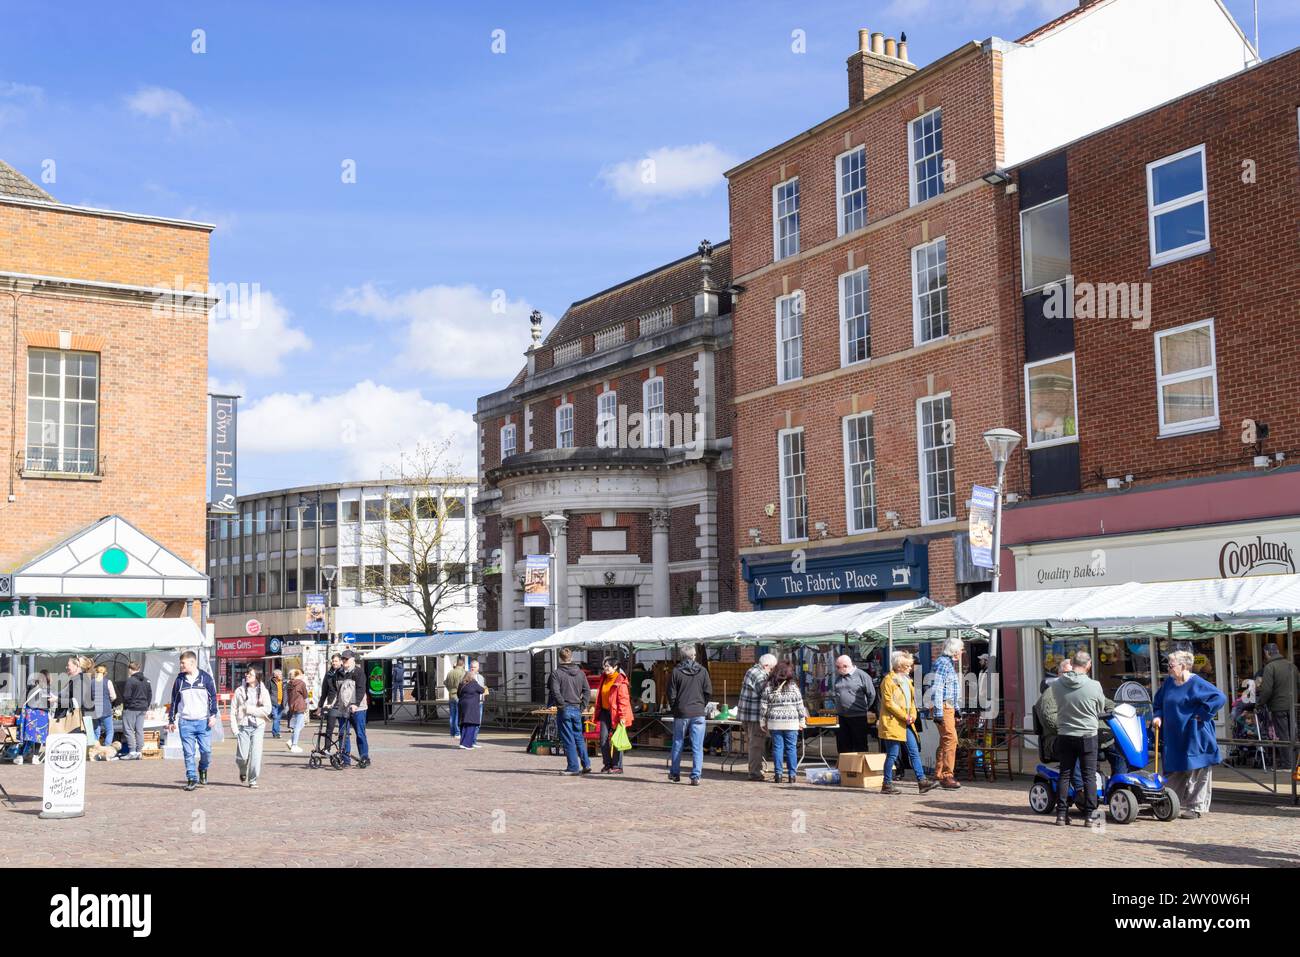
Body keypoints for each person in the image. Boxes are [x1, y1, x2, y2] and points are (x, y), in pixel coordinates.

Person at [1153, 649, 1227, 819]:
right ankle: (1170, 803)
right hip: (1174, 736)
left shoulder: (1197, 683)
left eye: (1171, 666)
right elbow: (1158, 702)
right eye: (1168, 665)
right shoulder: (1169, 683)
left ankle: (1196, 807)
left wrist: (1202, 714)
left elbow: (1219, 697)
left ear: (1184, 666)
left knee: (1198, 770)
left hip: (1196, 734)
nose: (1168, 669)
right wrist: (1158, 716)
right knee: (1175, 770)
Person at [1050, 650, 1108, 826]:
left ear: (1072, 663)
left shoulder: (1057, 684)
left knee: (1065, 774)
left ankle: (1061, 814)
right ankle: (1090, 816)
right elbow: (1100, 707)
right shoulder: (1094, 685)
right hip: (1087, 734)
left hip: (1065, 733)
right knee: (1089, 776)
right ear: (1088, 665)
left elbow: (1057, 702)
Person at [879, 651, 935, 794]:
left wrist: (913, 715)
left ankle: (922, 781)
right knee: (892, 754)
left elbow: (911, 701)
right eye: (908, 666)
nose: (911, 668)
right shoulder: (888, 681)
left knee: (914, 751)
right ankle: (886, 784)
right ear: (900, 666)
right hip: (894, 722)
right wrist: (906, 716)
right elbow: (889, 703)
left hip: (907, 722)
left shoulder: (907, 681)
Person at [169, 650, 219, 791]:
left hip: (203, 721)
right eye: (180, 663)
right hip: (185, 722)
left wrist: (213, 714)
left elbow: (213, 698)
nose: (181, 666)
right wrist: (171, 720)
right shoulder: (179, 680)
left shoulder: (206, 678)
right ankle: (191, 778)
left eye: (183, 663)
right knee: (188, 752)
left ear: (192, 662)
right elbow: (174, 701)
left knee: (206, 751)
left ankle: (203, 768)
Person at [667, 646, 712, 785]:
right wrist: (701, 705)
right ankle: (696, 775)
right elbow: (708, 691)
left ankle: (675, 773)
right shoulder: (703, 671)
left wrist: (676, 708)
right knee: (697, 746)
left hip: (682, 712)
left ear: (681, 656)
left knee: (678, 742)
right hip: (698, 712)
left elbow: (671, 694)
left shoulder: (676, 672)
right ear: (694, 656)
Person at [760, 661, 807, 784]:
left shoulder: (769, 686)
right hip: (791, 722)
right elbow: (800, 706)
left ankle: (778, 775)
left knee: (777, 748)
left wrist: (762, 721)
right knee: (791, 748)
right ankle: (792, 775)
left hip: (775, 721)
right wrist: (802, 721)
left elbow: (764, 706)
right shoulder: (793, 687)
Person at [1255, 643, 1299, 771]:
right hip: (1293, 705)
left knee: (1283, 735)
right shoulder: (1292, 666)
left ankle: (1287, 764)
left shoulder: (1270, 667)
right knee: (1293, 734)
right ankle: (1295, 763)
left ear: (1267, 653)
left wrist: (1259, 704)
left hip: (1278, 706)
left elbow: (1267, 690)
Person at [549, 648, 592, 776]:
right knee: (578, 737)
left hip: (565, 708)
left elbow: (555, 691)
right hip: (576, 708)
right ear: (571, 658)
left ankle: (573, 767)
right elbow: (587, 691)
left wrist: (561, 705)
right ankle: (586, 763)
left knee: (568, 738)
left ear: (560, 659)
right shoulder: (580, 673)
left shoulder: (556, 673)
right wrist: (583, 706)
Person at [930, 637, 963, 790]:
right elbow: (937, 688)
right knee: (951, 738)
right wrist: (938, 712)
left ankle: (939, 774)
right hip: (943, 706)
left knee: (946, 740)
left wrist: (956, 709)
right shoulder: (943, 663)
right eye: (960, 649)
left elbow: (951, 690)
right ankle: (947, 775)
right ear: (954, 651)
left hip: (947, 706)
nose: (962, 652)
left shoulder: (947, 663)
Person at [737, 654, 777, 781]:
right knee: (756, 745)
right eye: (771, 669)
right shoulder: (759, 674)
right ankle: (755, 773)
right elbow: (765, 693)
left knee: (754, 744)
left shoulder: (752, 671)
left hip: (747, 714)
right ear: (766, 666)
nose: (771, 671)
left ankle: (754, 770)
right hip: (754, 716)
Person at [231, 666, 273, 788]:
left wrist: (249, 710)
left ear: (257, 677)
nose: (247, 676)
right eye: (247, 674)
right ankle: (242, 770)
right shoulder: (239, 691)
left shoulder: (263, 691)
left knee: (256, 754)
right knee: (242, 757)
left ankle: (253, 779)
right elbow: (233, 710)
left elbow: (267, 709)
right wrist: (235, 729)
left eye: (250, 674)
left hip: (258, 726)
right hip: (243, 726)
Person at [594, 657, 633, 774]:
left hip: (617, 714)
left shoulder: (620, 681)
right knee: (603, 739)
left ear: (615, 667)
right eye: (604, 666)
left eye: (607, 666)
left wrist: (622, 717)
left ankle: (617, 766)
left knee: (617, 740)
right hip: (605, 712)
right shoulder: (604, 678)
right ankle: (607, 764)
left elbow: (623, 700)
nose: (605, 668)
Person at [832, 654, 876, 756]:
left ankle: (860, 769)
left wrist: (865, 708)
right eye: (837, 667)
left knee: (859, 744)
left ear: (846, 666)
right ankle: (845, 768)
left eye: (839, 667)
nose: (837, 669)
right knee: (843, 744)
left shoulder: (862, 675)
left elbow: (872, 694)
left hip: (857, 716)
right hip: (842, 716)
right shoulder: (839, 677)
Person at [333, 650, 370, 767]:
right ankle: (345, 759)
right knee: (343, 734)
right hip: (343, 709)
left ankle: (364, 757)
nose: (344, 661)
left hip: (358, 709)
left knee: (360, 733)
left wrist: (355, 704)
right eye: (343, 659)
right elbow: (336, 690)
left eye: (346, 659)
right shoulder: (338, 673)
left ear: (353, 659)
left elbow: (361, 689)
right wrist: (331, 703)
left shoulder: (358, 672)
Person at [119, 662, 153, 760]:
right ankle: (139, 751)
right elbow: (149, 695)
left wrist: (127, 705)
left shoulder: (130, 681)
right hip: (142, 708)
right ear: (139, 668)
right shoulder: (147, 680)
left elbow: (126, 696)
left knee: (129, 729)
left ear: (130, 669)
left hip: (131, 708)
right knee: (139, 730)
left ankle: (132, 751)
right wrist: (146, 705)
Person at [19, 670, 53, 763]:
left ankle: (20, 756)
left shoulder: (30, 686)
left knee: (26, 736)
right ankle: (35, 756)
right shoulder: (48, 689)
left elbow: (22, 700)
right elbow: (50, 705)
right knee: (39, 736)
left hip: (30, 714)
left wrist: (18, 712)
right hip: (43, 714)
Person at [457, 660, 487, 750]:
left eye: (475, 667)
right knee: (472, 724)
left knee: (464, 724)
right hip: (472, 706)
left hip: (463, 705)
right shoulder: (474, 683)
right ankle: (467, 744)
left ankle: (463, 743)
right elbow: (482, 690)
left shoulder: (462, 683)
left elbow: (458, 694)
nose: (473, 669)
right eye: (472, 667)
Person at [319, 653, 343, 745]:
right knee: (329, 728)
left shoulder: (344, 673)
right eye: (332, 661)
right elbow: (324, 691)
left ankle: (342, 749)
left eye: (336, 661)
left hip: (342, 704)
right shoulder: (329, 674)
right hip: (331, 704)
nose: (334, 663)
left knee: (342, 729)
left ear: (341, 662)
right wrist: (320, 706)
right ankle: (327, 748)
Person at [92, 664, 118, 748]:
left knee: (96, 732)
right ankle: (107, 749)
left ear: (96, 672)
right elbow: (113, 696)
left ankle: (95, 750)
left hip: (94, 710)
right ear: (105, 673)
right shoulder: (108, 682)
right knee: (109, 731)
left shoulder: (91, 682)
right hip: (106, 709)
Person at [286, 668, 310, 753]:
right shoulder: (301, 683)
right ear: (298, 675)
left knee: (301, 724)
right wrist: (308, 705)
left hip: (292, 706)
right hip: (300, 706)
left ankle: (291, 741)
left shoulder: (289, 684)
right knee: (297, 726)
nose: (303, 676)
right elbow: (305, 695)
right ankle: (294, 745)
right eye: (301, 674)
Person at [445, 655, 467, 739]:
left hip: (451, 695)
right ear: (463, 664)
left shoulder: (450, 672)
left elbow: (445, 683)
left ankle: (452, 732)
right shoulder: (463, 673)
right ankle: (457, 732)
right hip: (459, 696)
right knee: (458, 715)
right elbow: (464, 684)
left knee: (452, 715)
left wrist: (450, 690)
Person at [267, 669, 286, 739]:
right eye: (280, 674)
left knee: (278, 718)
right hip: (274, 702)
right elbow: (267, 692)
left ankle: (276, 732)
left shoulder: (284, 682)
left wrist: (286, 701)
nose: (281, 676)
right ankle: (276, 733)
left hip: (282, 703)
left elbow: (286, 692)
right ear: (275, 675)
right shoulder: (270, 682)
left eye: (281, 674)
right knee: (276, 718)